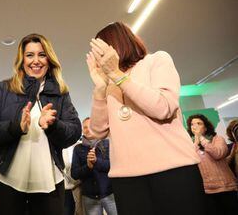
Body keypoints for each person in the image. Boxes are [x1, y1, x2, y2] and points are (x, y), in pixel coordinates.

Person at [87, 22, 205, 215]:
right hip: (126, 178)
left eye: (103, 51)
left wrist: (117, 75)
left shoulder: (157, 60)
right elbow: (97, 131)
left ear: (117, 44)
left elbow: (163, 107)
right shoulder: (109, 85)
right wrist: (100, 88)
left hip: (173, 170)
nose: (100, 59)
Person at [0, 33, 81, 215]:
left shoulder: (61, 93)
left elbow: (74, 131)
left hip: (49, 184)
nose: (36, 61)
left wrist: (53, 125)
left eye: (41, 54)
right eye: (30, 55)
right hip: (6, 182)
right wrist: (17, 127)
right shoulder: (3, 89)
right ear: (21, 60)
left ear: (49, 59)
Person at [187, 114, 238, 214]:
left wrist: (201, 139)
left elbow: (218, 153)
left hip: (225, 188)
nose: (195, 126)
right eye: (192, 124)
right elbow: (191, 160)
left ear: (205, 127)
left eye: (199, 123)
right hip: (207, 191)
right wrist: (196, 143)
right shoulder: (192, 145)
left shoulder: (217, 139)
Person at [71, 117, 117, 215]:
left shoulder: (106, 143)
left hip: (109, 194)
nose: (87, 129)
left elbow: (113, 165)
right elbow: (74, 174)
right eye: (85, 127)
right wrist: (88, 167)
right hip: (89, 197)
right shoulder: (78, 149)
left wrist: (96, 162)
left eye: (90, 126)